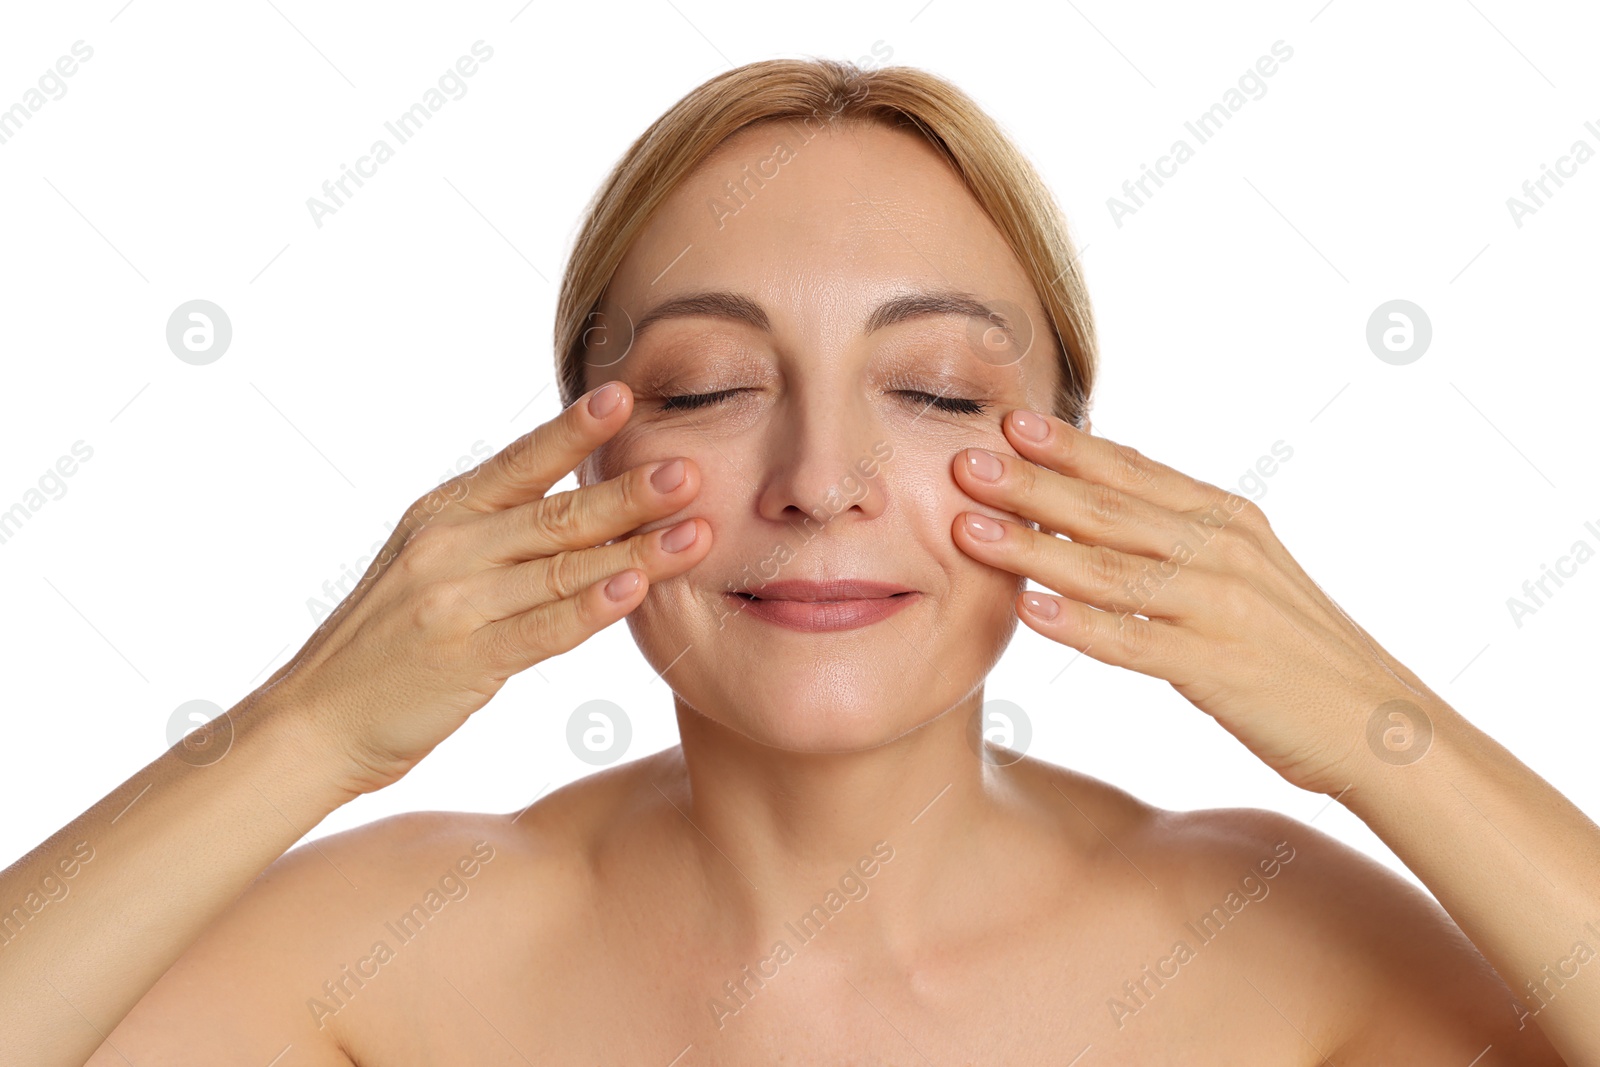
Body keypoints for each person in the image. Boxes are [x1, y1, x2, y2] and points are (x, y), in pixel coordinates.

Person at [3, 57, 1592, 1065]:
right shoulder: (394, 951)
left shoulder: (1269, 944)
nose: (821, 481)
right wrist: (308, 730)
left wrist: (1390, 732)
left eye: (937, 396)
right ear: (585, 452)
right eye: (706, 388)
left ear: (1078, 459)